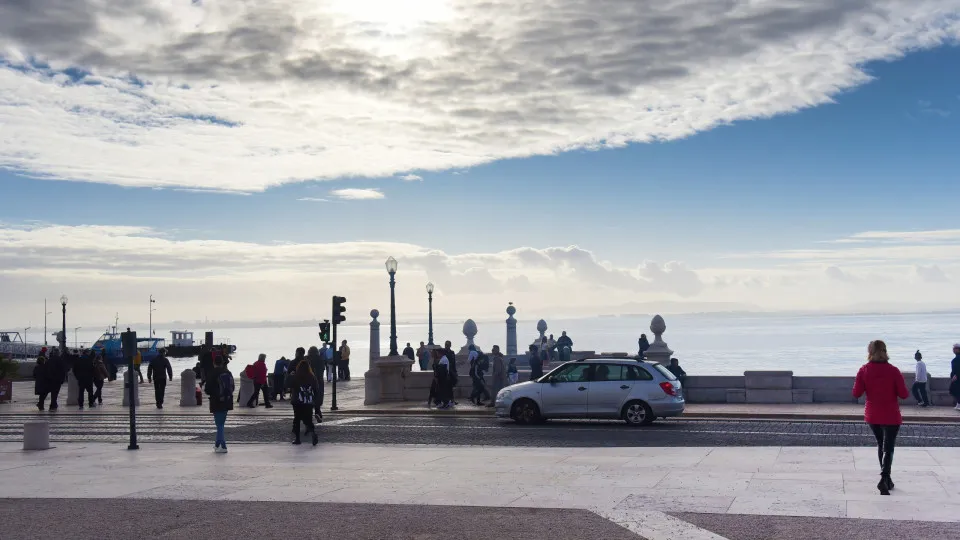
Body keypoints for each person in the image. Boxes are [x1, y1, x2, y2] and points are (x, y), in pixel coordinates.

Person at [853, 340, 909, 495]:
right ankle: (885, 478)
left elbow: (856, 393)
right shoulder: (894, 371)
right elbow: (904, 394)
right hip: (891, 414)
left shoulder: (864, 370)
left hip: (873, 414)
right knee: (888, 447)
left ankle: (886, 479)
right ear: (885, 351)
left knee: (881, 444)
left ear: (869, 352)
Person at [206, 354, 234, 453]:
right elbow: (232, 387)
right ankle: (217, 444)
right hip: (227, 400)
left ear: (214, 363)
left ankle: (223, 446)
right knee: (221, 423)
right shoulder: (228, 372)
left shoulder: (212, 373)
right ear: (222, 362)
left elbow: (207, 390)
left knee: (219, 424)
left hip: (216, 401)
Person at [289, 360, 321, 446]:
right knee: (308, 419)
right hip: (308, 401)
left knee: (297, 419)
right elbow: (316, 389)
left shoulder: (296, 376)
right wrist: (315, 400)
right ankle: (313, 433)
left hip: (297, 401)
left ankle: (297, 439)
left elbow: (288, 385)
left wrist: (290, 376)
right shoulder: (312, 376)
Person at [951, 344, 960, 410]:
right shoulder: (956, 358)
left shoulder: (957, 358)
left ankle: (959, 404)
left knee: (956, 390)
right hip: (956, 377)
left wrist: (956, 375)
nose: (953, 350)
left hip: (957, 377)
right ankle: (958, 404)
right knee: (955, 390)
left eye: (954, 348)